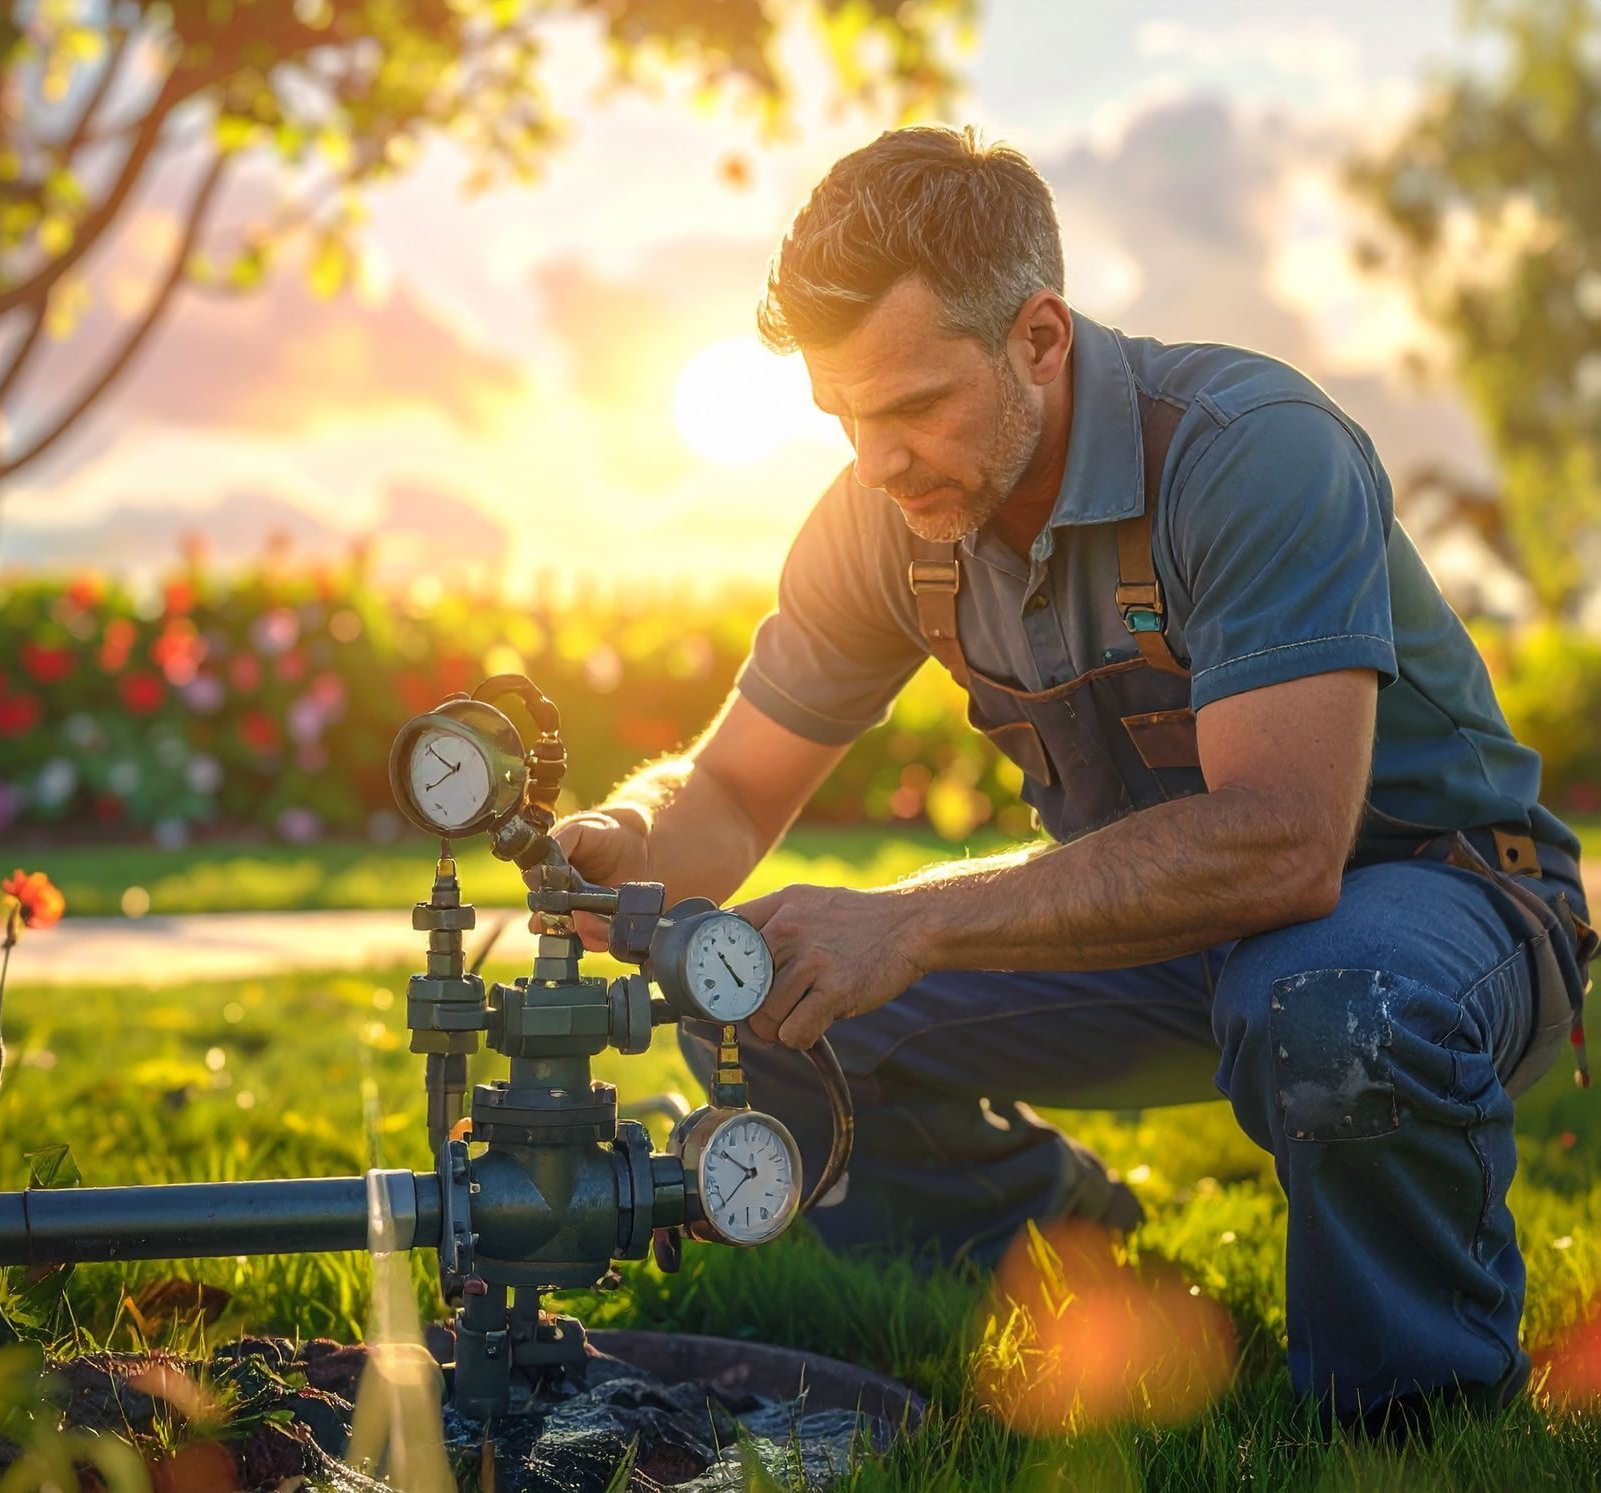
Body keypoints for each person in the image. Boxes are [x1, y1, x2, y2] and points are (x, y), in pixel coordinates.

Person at [546, 125, 1594, 1426]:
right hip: (1164, 929)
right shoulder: (887, 514)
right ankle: (1069, 1261)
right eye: (842, 415)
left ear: (1040, 336)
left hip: (1428, 910)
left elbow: (1283, 843)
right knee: (758, 991)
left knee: (1329, 1000)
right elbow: (731, 794)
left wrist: (918, 921)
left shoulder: (1248, 450)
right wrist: (615, 837)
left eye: (914, 406)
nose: (874, 460)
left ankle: (1411, 1420)